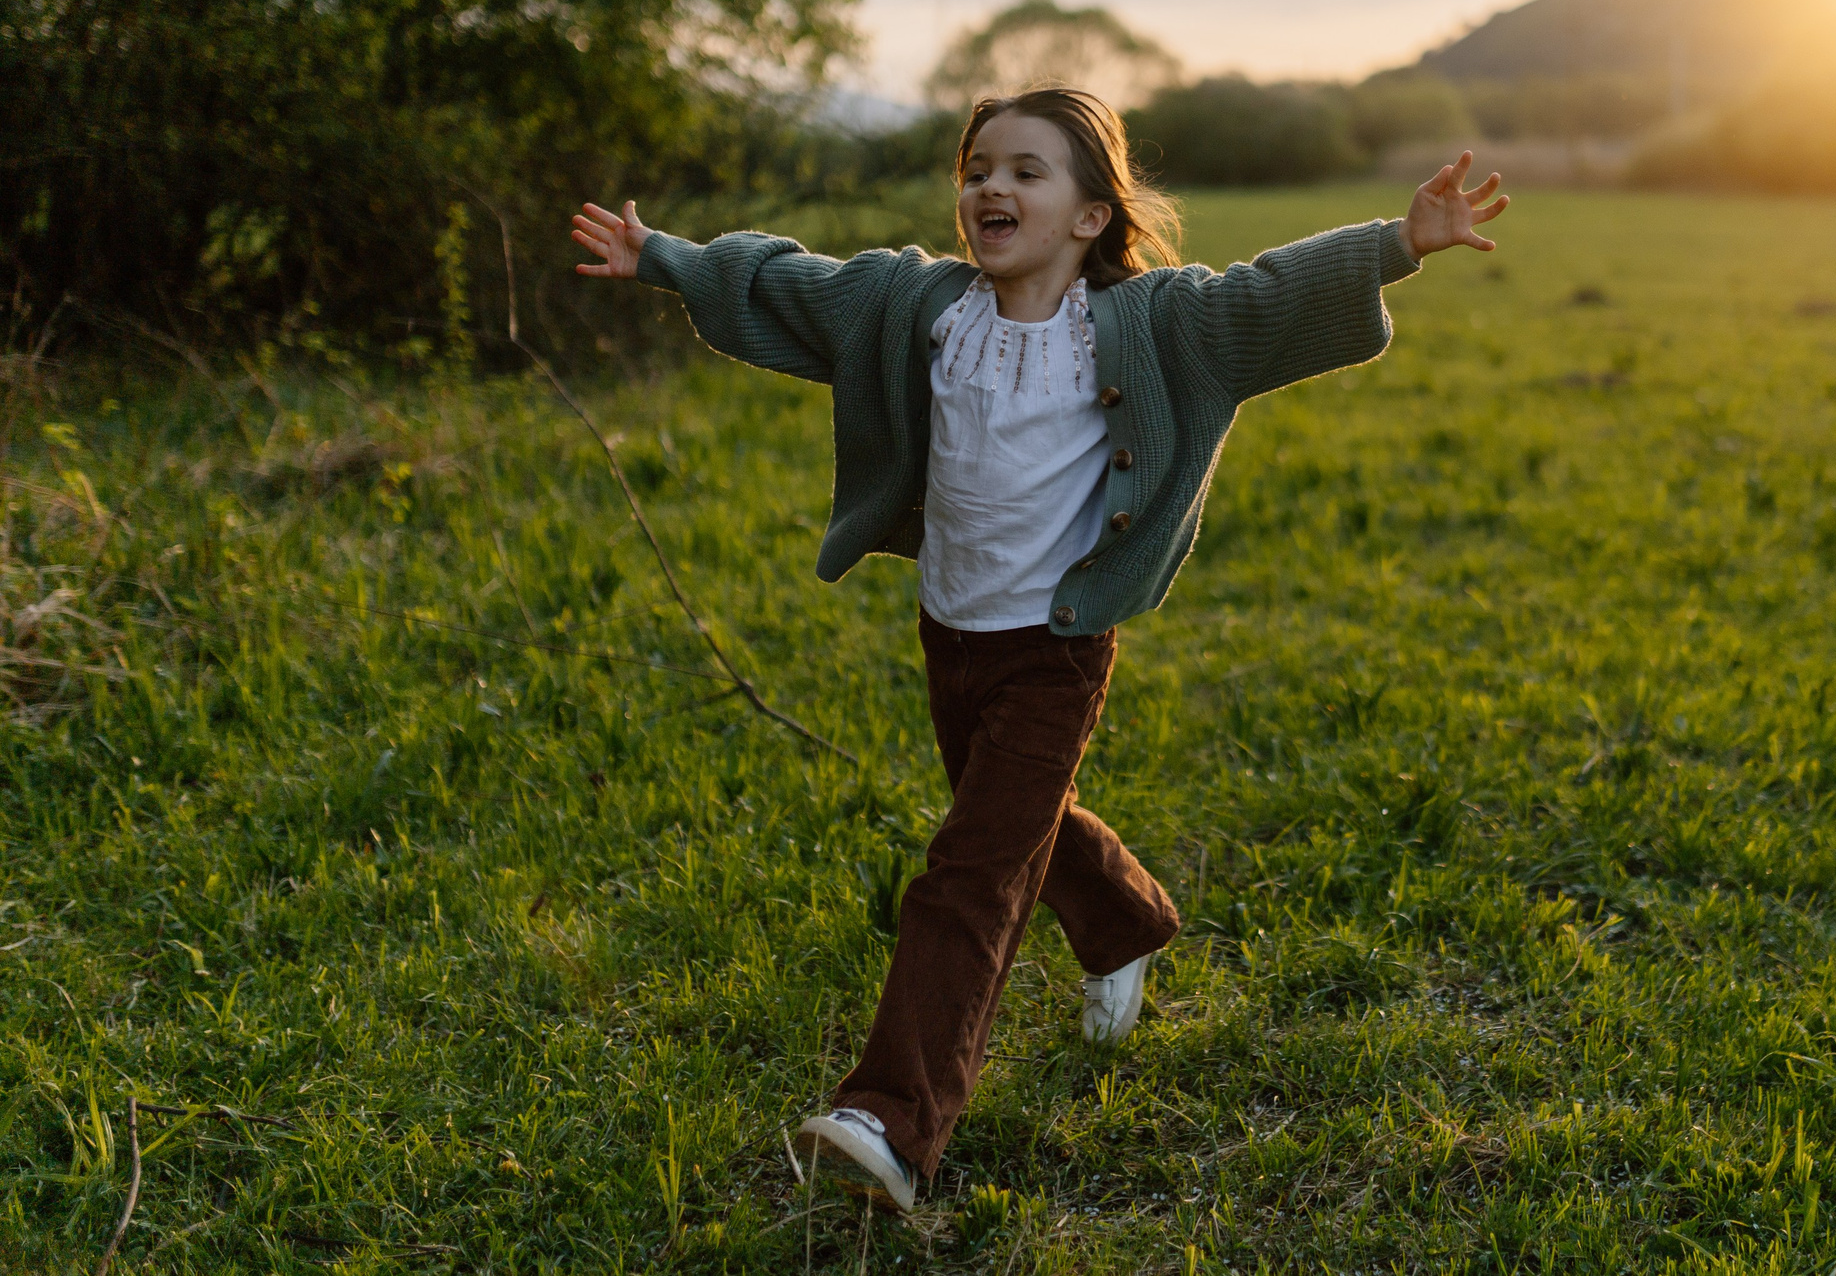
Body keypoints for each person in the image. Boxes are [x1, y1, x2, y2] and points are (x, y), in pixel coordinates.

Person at [568, 87, 1508, 1210]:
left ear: (1090, 217)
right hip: (948, 626)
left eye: (1025, 172)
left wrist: (1396, 242)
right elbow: (790, 283)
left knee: (968, 872)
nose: (990, 189)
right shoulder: (916, 306)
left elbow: (1263, 299)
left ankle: (890, 1122)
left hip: (1055, 648)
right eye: (977, 170)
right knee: (1013, 822)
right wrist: (664, 256)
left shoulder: (1151, 325)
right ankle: (1124, 921)